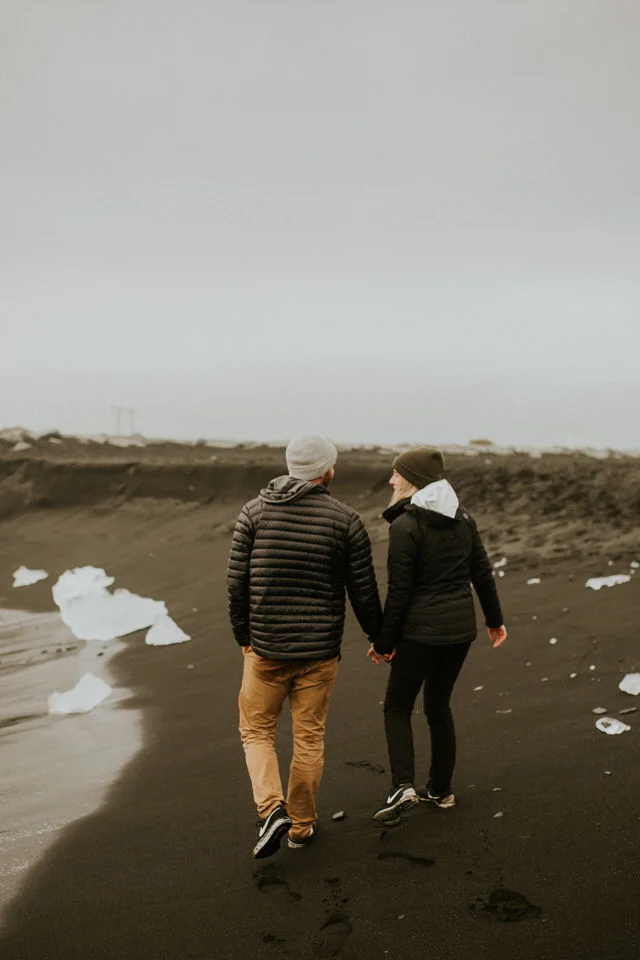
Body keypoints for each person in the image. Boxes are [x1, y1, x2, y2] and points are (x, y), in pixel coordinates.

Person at [227, 435, 383, 858]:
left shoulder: (254, 512)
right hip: (319, 653)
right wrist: (382, 639)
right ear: (326, 471)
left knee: (256, 731)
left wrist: (244, 635)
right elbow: (363, 592)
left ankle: (270, 808)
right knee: (308, 738)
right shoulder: (345, 519)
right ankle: (300, 827)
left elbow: (235, 582)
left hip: (266, 649)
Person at [368, 447, 507, 821]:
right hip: (460, 631)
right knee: (438, 706)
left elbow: (400, 591)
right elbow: (482, 572)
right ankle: (441, 791)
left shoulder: (405, 525)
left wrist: (383, 643)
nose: (391, 480)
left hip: (421, 633)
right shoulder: (463, 517)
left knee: (397, 705)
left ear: (412, 480)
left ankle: (403, 785)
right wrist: (494, 620)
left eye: (397, 474)